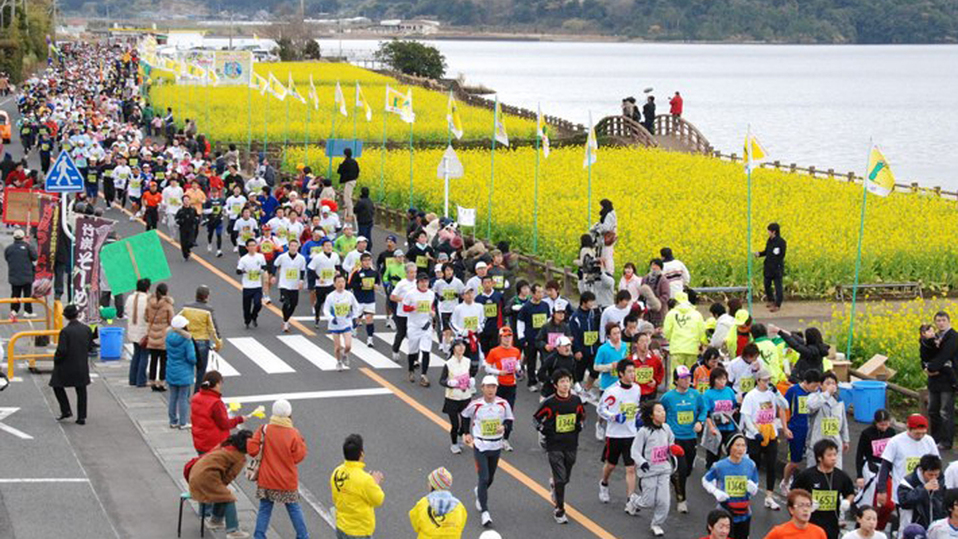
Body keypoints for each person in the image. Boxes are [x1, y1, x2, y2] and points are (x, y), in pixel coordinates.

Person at [247, 399, 309, 539]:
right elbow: (299, 456)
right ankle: (302, 536)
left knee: (265, 509)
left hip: (266, 479)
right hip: (287, 480)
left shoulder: (264, 429)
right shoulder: (294, 433)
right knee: (293, 508)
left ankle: (259, 535)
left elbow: (252, 450)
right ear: (289, 414)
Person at [533, 368, 586, 524]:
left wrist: (581, 425)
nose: (565, 384)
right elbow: (536, 419)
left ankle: (555, 485)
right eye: (562, 381)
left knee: (566, 476)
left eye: (567, 381)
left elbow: (582, 416)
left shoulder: (576, 400)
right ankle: (559, 510)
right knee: (561, 478)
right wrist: (543, 429)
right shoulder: (549, 403)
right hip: (554, 444)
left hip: (571, 443)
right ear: (555, 385)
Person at [462, 375, 515, 528]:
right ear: (482, 388)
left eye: (493, 387)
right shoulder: (476, 404)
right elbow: (465, 416)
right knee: (484, 477)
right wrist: (466, 433)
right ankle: (485, 512)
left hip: (496, 445)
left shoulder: (503, 404)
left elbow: (509, 419)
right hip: (480, 444)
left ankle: (479, 491)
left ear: (496, 388)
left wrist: (504, 426)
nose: (491, 389)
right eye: (488, 386)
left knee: (490, 478)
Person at [188, 430, 254, 539]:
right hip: (207, 477)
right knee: (228, 497)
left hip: (196, 473)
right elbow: (229, 476)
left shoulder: (225, 446)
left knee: (222, 494)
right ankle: (233, 530)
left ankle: (216, 520)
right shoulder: (239, 457)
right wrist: (222, 485)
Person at [741, 367, 789, 510]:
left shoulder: (772, 394)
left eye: (769, 380)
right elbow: (747, 416)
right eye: (765, 380)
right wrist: (754, 432)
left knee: (771, 465)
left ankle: (769, 496)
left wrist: (777, 392)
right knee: (753, 465)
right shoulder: (751, 396)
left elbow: (785, 406)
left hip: (770, 433)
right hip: (755, 434)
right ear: (758, 380)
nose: (767, 383)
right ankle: (748, 492)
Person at [662, 365, 707, 513]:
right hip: (675, 439)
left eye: (688, 377)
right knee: (681, 469)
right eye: (683, 378)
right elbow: (659, 410)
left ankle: (674, 480)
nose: (687, 380)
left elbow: (703, 409)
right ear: (676, 380)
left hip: (691, 438)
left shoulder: (695, 395)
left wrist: (700, 421)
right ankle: (682, 499)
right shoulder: (668, 397)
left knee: (687, 470)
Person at [598, 359, 641, 510]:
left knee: (631, 468)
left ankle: (630, 500)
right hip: (614, 434)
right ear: (621, 373)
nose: (632, 375)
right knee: (611, 464)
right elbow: (601, 409)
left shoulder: (637, 389)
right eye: (629, 372)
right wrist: (614, 417)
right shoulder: (612, 391)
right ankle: (604, 483)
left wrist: (637, 416)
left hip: (631, 434)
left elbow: (635, 407)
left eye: (633, 371)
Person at [792, 439, 856, 539]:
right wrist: (806, 502)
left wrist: (847, 502)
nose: (834, 458)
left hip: (832, 524)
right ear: (819, 457)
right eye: (829, 455)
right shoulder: (807, 475)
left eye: (835, 455)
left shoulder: (841, 476)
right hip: (809, 522)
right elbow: (793, 493)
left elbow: (850, 492)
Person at [875, 414, 940, 512]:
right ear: (908, 428)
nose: (921, 436)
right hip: (903, 490)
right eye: (917, 433)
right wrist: (882, 490)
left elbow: (937, 464)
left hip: (925, 489)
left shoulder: (929, 440)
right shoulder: (895, 442)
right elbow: (885, 466)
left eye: (923, 433)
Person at [702, 433, 760, 539]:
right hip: (724, 512)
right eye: (737, 445)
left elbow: (755, 484)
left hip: (744, 513)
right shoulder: (719, 466)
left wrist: (753, 488)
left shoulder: (750, 465)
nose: (741, 449)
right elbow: (705, 480)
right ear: (730, 447)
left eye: (743, 446)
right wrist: (715, 491)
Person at [631, 400, 676, 535]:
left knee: (664, 501)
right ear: (651, 415)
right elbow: (635, 450)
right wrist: (642, 462)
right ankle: (634, 501)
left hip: (664, 470)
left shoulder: (666, 428)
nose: (662, 413)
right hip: (648, 471)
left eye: (663, 411)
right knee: (648, 501)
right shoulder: (644, 432)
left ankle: (656, 524)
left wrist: (674, 449)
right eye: (658, 411)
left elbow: (671, 444)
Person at [855, 410, 898, 531]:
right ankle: (861, 528)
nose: (884, 427)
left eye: (886, 424)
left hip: (887, 469)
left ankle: (879, 527)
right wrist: (859, 475)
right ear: (876, 423)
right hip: (870, 468)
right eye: (881, 424)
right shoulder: (867, 433)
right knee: (869, 503)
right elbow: (859, 455)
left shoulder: (891, 432)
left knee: (889, 504)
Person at [781, 369, 823, 492]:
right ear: (805, 382)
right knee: (794, 462)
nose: (815, 389)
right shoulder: (793, 391)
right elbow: (782, 409)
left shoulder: (817, 392)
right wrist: (785, 428)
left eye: (817, 386)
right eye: (813, 386)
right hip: (796, 430)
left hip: (812, 431)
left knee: (813, 459)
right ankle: (786, 481)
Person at [50, 304, 93, 424]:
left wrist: (56, 359)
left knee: (56, 384)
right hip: (82, 365)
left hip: (66, 365)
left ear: (66, 317)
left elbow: (62, 350)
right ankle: (81, 417)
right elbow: (90, 347)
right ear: (77, 314)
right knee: (81, 390)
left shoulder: (65, 331)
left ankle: (66, 410)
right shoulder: (86, 329)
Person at [483, 326, 523, 452]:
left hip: (511, 385)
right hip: (498, 385)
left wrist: (518, 369)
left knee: (509, 412)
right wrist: (499, 372)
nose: (507, 339)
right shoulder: (494, 352)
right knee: (495, 411)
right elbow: (487, 368)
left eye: (509, 336)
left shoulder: (516, 351)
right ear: (500, 338)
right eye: (505, 336)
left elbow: (517, 364)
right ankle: (492, 436)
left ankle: (505, 439)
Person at [178, 285, 223, 393]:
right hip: (202, 342)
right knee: (201, 370)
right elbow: (213, 328)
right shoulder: (208, 310)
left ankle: (185, 392)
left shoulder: (186, 308)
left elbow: (177, 321)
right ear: (206, 297)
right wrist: (218, 343)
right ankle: (197, 393)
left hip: (188, 340)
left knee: (187, 367)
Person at [191, 370, 246, 455]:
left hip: (200, 441)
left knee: (202, 465)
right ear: (216, 384)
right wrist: (239, 419)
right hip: (214, 443)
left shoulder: (196, 397)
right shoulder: (215, 403)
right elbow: (224, 424)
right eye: (220, 383)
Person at [925, 312, 956, 450]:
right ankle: (934, 439)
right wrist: (925, 366)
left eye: (943, 320)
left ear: (949, 321)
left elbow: (945, 355)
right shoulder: (934, 336)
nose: (941, 323)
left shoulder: (953, 336)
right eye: (938, 321)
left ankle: (946, 441)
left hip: (947, 381)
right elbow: (925, 354)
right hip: (934, 379)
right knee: (932, 410)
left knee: (945, 412)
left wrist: (931, 367)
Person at [806, 371, 850, 470]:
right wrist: (826, 394)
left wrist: (846, 440)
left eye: (833, 383)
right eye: (828, 383)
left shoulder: (839, 401)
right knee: (815, 473)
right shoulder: (813, 397)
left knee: (836, 473)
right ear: (821, 385)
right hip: (817, 443)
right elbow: (811, 406)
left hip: (834, 443)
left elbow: (843, 422)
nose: (831, 386)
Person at [408, 467, 467, 538]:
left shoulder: (423, 503)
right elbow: (461, 525)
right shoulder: (459, 506)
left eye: (429, 482)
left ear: (433, 485)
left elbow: (415, 521)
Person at [440, 339, 476, 454]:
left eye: (463, 346)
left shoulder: (468, 361)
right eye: (458, 346)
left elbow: (471, 373)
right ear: (453, 348)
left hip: (466, 396)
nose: (461, 348)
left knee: (465, 422)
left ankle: (461, 437)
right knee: (455, 424)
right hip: (452, 398)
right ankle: (454, 443)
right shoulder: (449, 363)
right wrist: (449, 383)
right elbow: (441, 380)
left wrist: (471, 381)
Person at [403, 273, 437, 386]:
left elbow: (432, 306)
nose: (424, 284)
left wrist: (433, 313)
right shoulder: (411, 294)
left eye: (426, 282)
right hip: (413, 325)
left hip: (426, 326)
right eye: (422, 282)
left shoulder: (431, 294)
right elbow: (404, 307)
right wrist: (413, 307)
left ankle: (424, 375)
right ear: (417, 282)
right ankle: (411, 370)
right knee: (413, 350)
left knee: (426, 350)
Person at [898, 454, 947, 532]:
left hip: (937, 527)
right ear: (921, 470)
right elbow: (904, 502)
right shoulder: (908, 483)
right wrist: (923, 489)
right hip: (914, 527)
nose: (933, 478)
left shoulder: (942, 480)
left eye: (936, 474)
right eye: (930, 475)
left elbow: (944, 502)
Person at [323, 274, 362, 371]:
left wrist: (354, 317)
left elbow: (357, 307)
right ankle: (339, 362)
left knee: (348, 345)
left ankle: (345, 354)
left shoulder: (349, 295)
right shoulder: (331, 296)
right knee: (337, 347)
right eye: (339, 282)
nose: (341, 284)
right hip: (335, 325)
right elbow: (326, 310)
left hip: (346, 323)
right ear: (334, 284)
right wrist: (331, 318)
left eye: (343, 282)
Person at [703, 367, 739, 469]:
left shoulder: (729, 391)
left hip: (729, 427)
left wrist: (734, 410)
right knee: (713, 455)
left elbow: (735, 405)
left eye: (724, 379)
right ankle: (710, 475)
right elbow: (707, 413)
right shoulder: (708, 394)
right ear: (713, 380)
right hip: (715, 428)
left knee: (731, 452)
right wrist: (711, 427)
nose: (722, 382)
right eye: (719, 379)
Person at [663, 291, 706, 376]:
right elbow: (702, 331)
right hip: (692, 349)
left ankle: (675, 389)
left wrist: (671, 339)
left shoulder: (671, 314)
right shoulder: (696, 314)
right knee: (691, 374)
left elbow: (667, 332)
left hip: (677, 349)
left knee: (676, 375)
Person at [166, 315, 197, 429]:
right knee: (183, 398)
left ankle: (173, 420)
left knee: (173, 397)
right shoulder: (187, 340)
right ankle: (183, 422)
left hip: (171, 369)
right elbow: (192, 357)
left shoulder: (168, 337)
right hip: (184, 371)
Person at [518, 283, 551, 390]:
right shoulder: (526, 307)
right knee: (531, 361)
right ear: (532, 293)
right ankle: (531, 382)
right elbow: (520, 322)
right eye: (538, 292)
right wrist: (521, 338)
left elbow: (549, 320)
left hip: (543, 339)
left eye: (542, 292)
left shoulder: (545, 305)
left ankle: (542, 378)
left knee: (545, 360)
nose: (541, 294)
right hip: (530, 339)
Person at [762, 489, 828, 539]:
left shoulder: (819, 533)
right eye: (801, 505)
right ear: (791, 510)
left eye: (808, 505)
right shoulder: (779, 532)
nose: (805, 509)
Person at [146, 283, 175, 392]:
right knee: (163, 361)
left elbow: (146, 317)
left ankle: (152, 381)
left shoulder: (150, 302)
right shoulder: (167, 305)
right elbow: (171, 321)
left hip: (152, 334)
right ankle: (162, 383)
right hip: (163, 335)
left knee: (153, 360)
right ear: (166, 292)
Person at [273, 239, 306, 333]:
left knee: (294, 304)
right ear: (288, 246)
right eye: (292, 246)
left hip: (294, 285)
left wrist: (301, 281)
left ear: (298, 247)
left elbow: (302, 270)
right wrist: (273, 276)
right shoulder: (282, 257)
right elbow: (275, 265)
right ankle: (285, 322)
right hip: (284, 284)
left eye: (295, 246)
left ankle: (286, 319)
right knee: (286, 302)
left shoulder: (301, 258)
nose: (293, 248)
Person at [349, 253, 380, 347]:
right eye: (365, 260)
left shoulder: (374, 272)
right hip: (359, 299)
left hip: (370, 299)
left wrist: (376, 285)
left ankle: (370, 339)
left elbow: (378, 281)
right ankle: (354, 328)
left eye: (369, 260)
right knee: (357, 318)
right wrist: (361, 285)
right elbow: (350, 284)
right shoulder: (357, 272)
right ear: (361, 262)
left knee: (369, 318)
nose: (367, 262)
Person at [124, 278, 152, 387]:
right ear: (147, 288)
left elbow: (126, 310)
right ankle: (141, 380)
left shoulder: (130, 298)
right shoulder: (148, 299)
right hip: (144, 332)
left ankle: (132, 379)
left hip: (133, 330)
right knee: (144, 355)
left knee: (136, 354)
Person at [4, 228, 37, 317]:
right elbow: (35, 257)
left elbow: (7, 258)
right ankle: (28, 311)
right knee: (27, 294)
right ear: (23, 237)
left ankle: (14, 310)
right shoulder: (28, 247)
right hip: (27, 275)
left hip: (14, 274)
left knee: (15, 293)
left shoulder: (8, 248)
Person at [308, 238, 341, 328]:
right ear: (322, 247)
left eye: (330, 245)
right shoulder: (318, 257)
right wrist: (318, 278)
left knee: (333, 301)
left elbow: (337, 265)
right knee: (320, 301)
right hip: (321, 284)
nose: (329, 247)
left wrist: (337, 271)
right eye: (326, 246)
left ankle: (333, 320)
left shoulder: (335, 255)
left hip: (331, 283)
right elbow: (310, 270)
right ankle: (317, 318)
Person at [755, 223, 787, 312]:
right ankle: (771, 299)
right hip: (768, 267)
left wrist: (775, 263)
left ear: (774, 231)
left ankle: (777, 304)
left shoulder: (781, 242)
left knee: (778, 287)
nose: (768, 232)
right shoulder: (769, 240)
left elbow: (781, 255)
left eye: (769, 231)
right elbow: (767, 251)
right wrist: (760, 254)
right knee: (767, 284)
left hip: (777, 267)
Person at [237, 239, 267, 329]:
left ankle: (254, 316)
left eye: (254, 245)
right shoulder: (243, 259)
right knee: (246, 307)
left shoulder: (260, 257)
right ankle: (247, 321)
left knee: (258, 304)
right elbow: (238, 270)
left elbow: (264, 266)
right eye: (250, 245)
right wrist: (244, 271)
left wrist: (260, 271)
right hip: (247, 286)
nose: (253, 247)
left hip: (257, 285)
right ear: (247, 247)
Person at [337, 147, 359, 220]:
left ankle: (350, 215)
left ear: (345, 154)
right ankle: (346, 214)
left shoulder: (346, 162)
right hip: (353, 181)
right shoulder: (354, 162)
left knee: (347, 198)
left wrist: (340, 165)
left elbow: (340, 171)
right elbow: (358, 171)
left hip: (349, 181)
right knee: (347, 197)